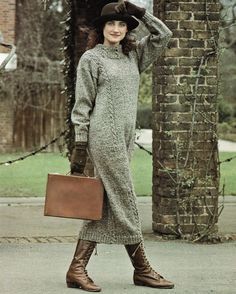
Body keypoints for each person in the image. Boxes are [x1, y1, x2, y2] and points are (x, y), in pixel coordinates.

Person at [67, 1, 174, 292]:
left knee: (106, 202)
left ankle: (76, 269)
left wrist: (141, 13)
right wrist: (80, 143)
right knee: (125, 198)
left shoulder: (133, 55)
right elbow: (83, 105)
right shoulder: (92, 59)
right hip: (104, 137)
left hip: (126, 139)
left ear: (127, 30)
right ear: (101, 28)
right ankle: (142, 269)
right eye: (111, 24)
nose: (116, 29)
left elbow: (163, 36)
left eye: (122, 24)